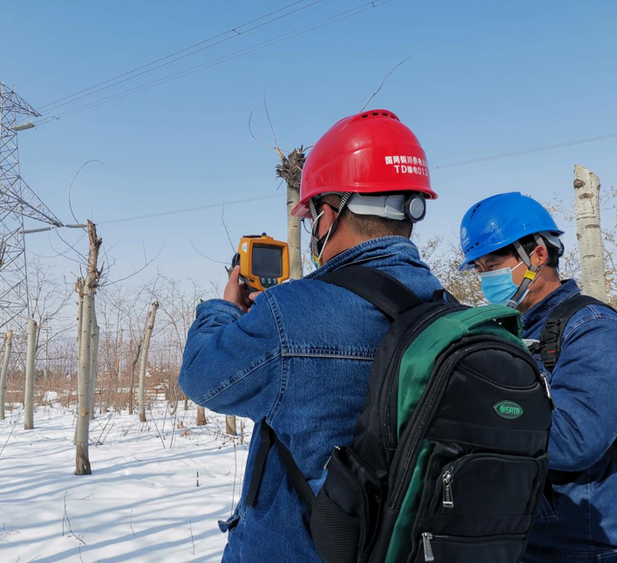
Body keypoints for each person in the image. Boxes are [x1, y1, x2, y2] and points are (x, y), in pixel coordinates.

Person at [179, 109, 442, 561]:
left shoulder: (291, 313)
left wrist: (223, 308)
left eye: (312, 220)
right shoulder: (447, 314)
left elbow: (201, 375)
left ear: (328, 214)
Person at [458, 192, 617, 563]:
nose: (485, 277)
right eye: (479, 268)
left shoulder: (593, 328)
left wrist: (474, 410)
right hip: (524, 538)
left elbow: (574, 440)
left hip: (587, 547)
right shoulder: (512, 331)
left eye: (493, 263)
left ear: (537, 254)